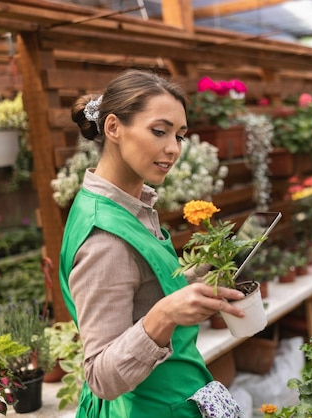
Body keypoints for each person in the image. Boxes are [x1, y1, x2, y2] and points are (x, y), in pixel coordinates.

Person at [59, 68, 245, 418]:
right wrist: (165, 314)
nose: (173, 149)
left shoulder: (126, 207)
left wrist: (194, 282)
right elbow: (101, 375)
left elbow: (136, 292)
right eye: (159, 131)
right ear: (113, 128)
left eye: (180, 136)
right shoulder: (105, 237)